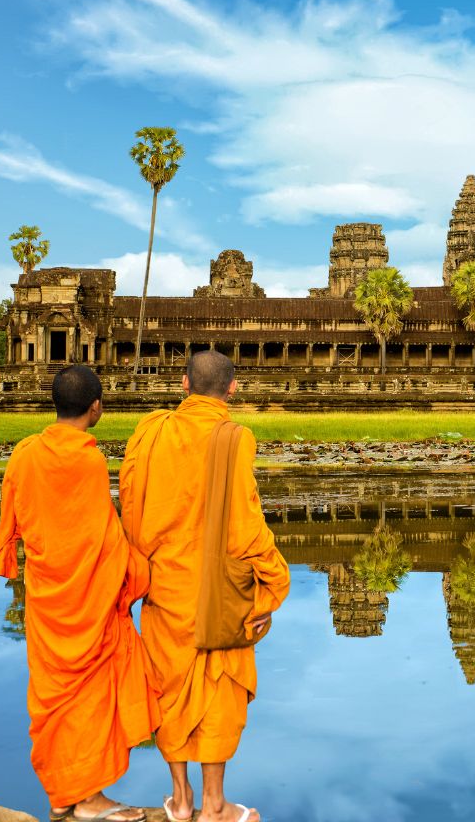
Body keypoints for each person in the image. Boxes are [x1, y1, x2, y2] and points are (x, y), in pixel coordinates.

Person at [120, 351, 290, 822]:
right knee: (218, 687)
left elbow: (130, 507)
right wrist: (273, 584)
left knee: (168, 685)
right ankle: (216, 804)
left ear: (182, 383)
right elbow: (246, 524)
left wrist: (141, 568)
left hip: (164, 585)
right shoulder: (234, 438)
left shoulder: (150, 433)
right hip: (218, 592)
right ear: (232, 388)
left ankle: (181, 799)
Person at [0, 365, 157, 822]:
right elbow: (101, 536)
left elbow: (15, 518)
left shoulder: (25, 453)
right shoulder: (87, 459)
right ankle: (88, 798)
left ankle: (64, 795)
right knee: (88, 697)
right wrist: (139, 569)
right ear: (96, 407)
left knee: (56, 696)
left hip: (47, 596)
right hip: (87, 600)